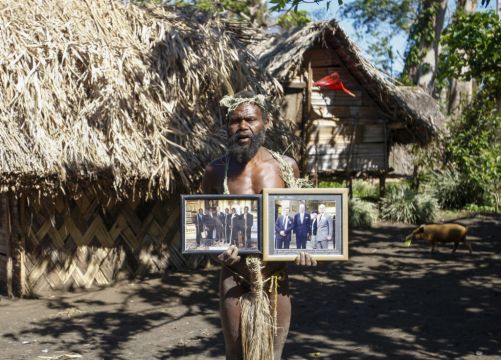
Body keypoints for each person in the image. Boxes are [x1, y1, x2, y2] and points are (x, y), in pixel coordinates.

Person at [201, 90, 316, 360]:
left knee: (272, 355)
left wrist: (306, 248)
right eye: (235, 120)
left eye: (250, 119)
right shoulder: (216, 172)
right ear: (226, 127)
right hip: (234, 277)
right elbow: (203, 229)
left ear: (265, 122)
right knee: (236, 354)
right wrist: (216, 252)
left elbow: (301, 223)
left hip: (276, 277)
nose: (243, 126)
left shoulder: (286, 168)